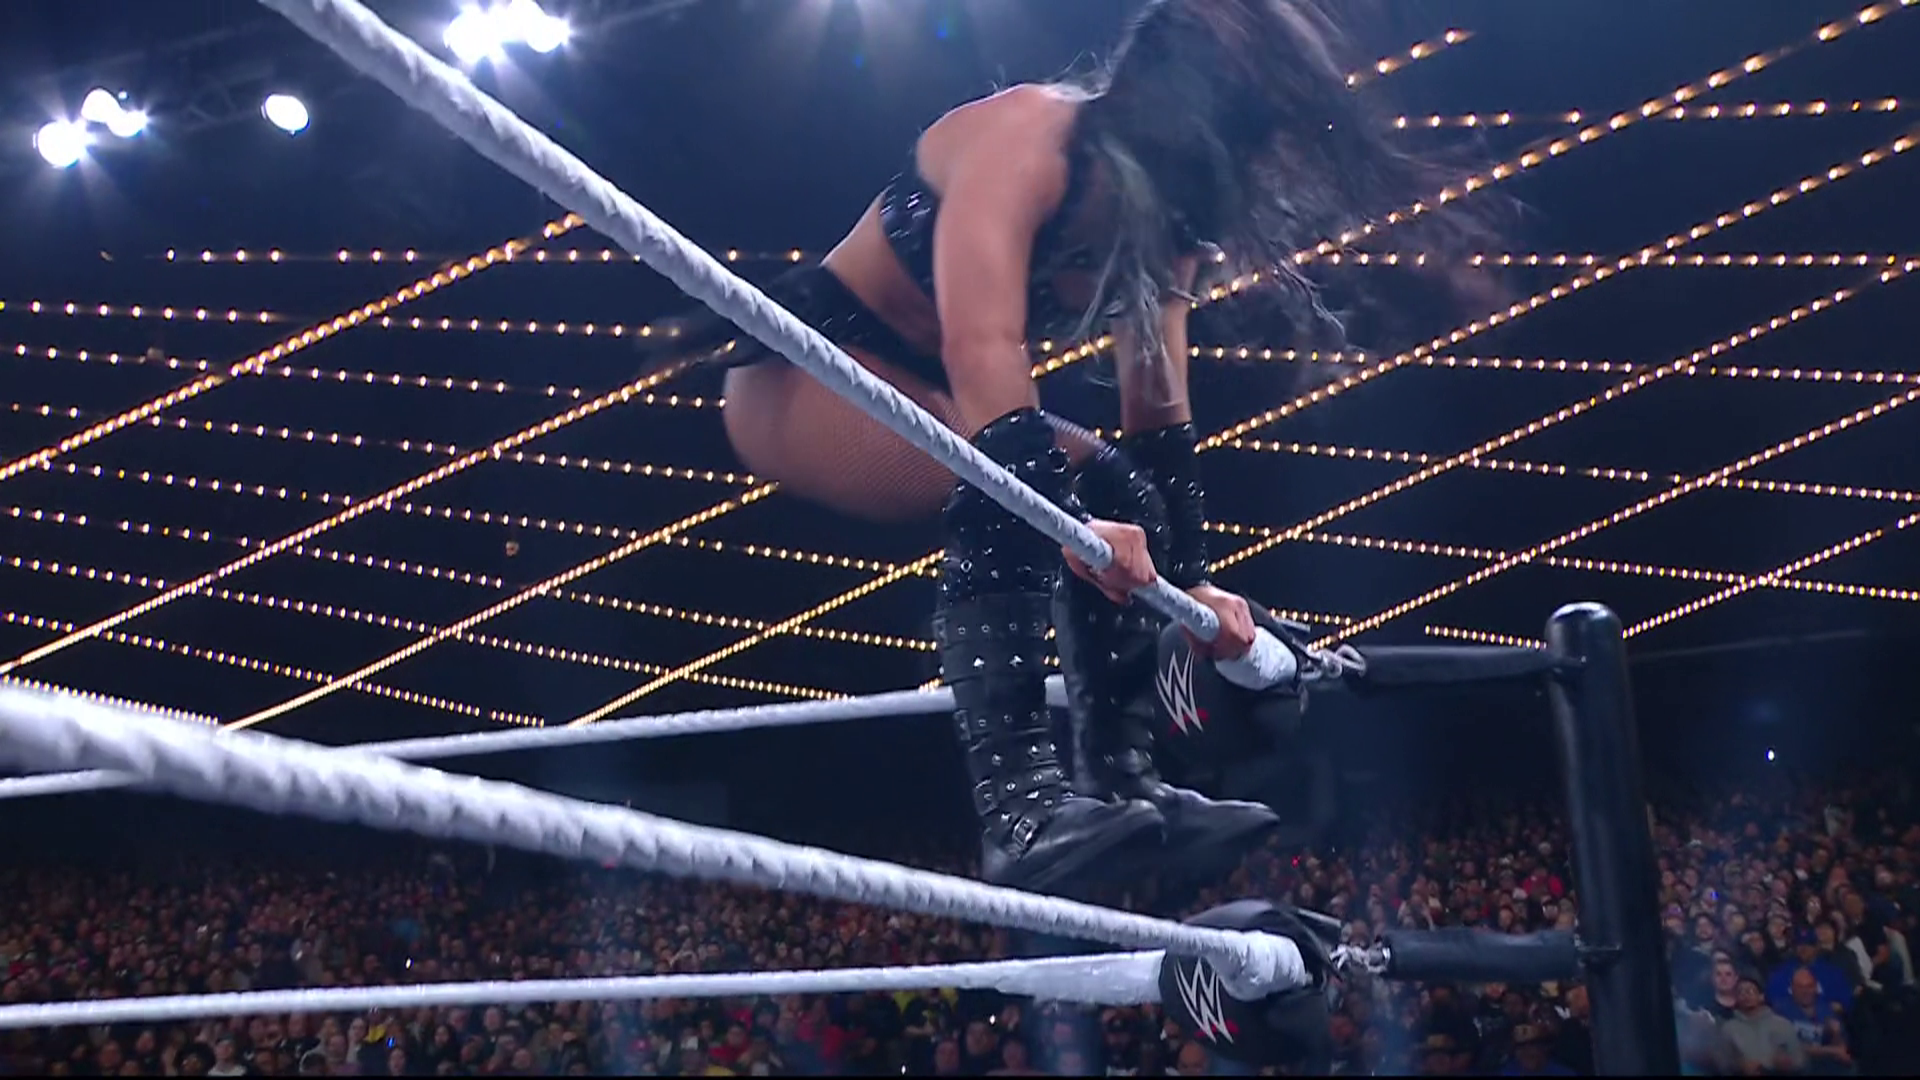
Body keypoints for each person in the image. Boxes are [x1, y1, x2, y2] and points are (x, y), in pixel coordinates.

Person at [638, 0, 1494, 889]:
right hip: (808, 378)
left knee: (1119, 494)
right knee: (1012, 482)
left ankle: (1123, 782)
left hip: (937, 391)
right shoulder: (1026, 143)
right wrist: (1063, 517)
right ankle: (1020, 812)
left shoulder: (1172, 215)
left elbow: (1156, 403)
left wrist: (1188, 581)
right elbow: (983, 348)